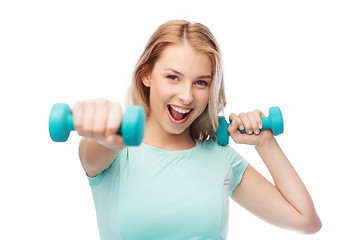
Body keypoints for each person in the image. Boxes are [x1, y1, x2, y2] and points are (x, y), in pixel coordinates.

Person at [72, 20, 322, 239]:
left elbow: (306, 221)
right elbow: (101, 145)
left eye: (201, 82)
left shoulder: (220, 158)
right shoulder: (115, 152)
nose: (186, 96)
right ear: (146, 75)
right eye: (173, 77)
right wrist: (105, 125)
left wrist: (265, 144)